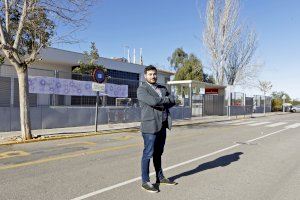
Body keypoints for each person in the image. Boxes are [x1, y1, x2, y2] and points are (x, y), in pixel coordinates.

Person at [137, 65, 177, 193]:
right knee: (148, 153)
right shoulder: (142, 89)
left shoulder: (162, 88)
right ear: (145, 76)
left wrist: (162, 100)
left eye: (154, 74)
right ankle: (145, 181)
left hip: (163, 125)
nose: (153, 76)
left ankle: (160, 177)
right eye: (150, 74)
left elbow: (173, 100)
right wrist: (165, 100)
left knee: (158, 153)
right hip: (150, 126)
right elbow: (152, 102)